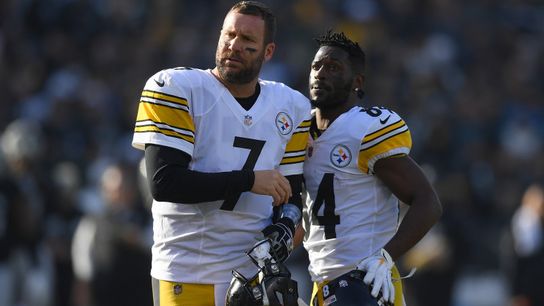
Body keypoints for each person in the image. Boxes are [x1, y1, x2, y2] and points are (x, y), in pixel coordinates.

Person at [131, 1, 311, 306]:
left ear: (268, 52)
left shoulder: (291, 106)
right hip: (189, 271)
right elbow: (165, 183)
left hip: (255, 275)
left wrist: (285, 223)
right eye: (229, 35)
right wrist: (248, 180)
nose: (234, 45)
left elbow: (290, 192)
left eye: (248, 41)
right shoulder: (177, 87)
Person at [300, 30, 442, 306]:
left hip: (363, 283)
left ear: (357, 82)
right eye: (316, 66)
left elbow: (428, 202)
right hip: (321, 284)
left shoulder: (363, 130)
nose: (320, 73)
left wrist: (384, 256)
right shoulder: (299, 132)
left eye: (333, 67)